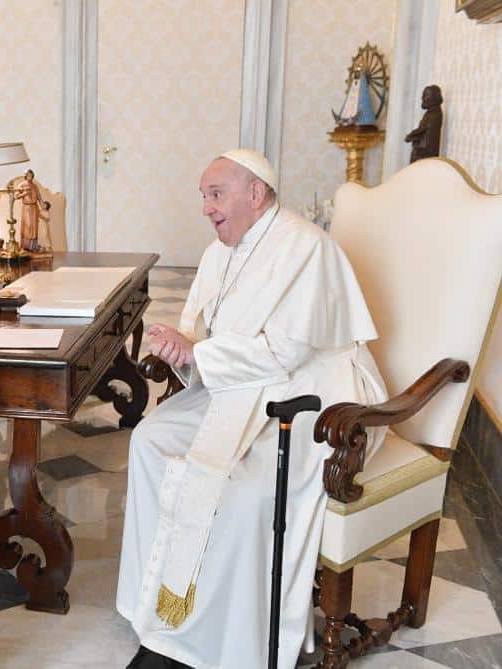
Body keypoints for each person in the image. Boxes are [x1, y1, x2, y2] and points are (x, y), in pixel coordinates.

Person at [116, 149, 388, 669]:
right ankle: (158, 604)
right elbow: (199, 330)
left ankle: (228, 635)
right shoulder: (219, 252)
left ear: (255, 193)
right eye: (204, 196)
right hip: (240, 386)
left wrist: (198, 353)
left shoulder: (306, 248)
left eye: (215, 195)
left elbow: (287, 353)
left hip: (310, 398)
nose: (206, 208)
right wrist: (180, 349)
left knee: (244, 493)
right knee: (149, 440)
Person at [405, 85, 443, 163]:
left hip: (424, 154)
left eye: (425, 95)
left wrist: (410, 135)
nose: (422, 98)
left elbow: (422, 129)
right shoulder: (431, 112)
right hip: (422, 152)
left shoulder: (434, 113)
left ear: (434, 98)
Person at [15, 170, 46, 253]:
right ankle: (25, 246)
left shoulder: (35, 186)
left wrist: (42, 204)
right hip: (27, 208)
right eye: (29, 175)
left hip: (34, 207)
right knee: (28, 226)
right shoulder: (21, 185)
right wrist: (24, 194)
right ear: (25, 176)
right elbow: (16, 196)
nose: (30, 177)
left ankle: (33, 246)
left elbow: (39, 196)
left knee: (34, 227)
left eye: (31, 175)